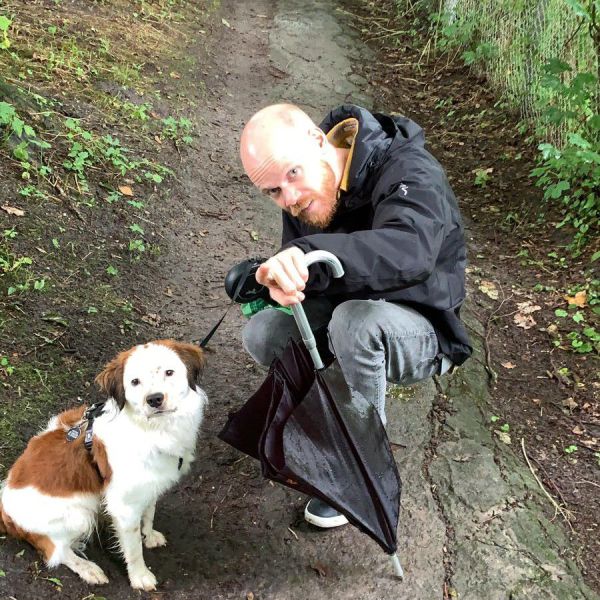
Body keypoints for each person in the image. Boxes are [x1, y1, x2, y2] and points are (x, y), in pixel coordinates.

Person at [238, 103, 472, 529]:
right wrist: (272, 276)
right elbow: (312, 276)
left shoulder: (410, 170)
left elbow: (409, 252)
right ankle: (326, 433)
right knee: (264, 331)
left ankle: (363, 473)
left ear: (317, 141)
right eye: (273, 191)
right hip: (349, 309)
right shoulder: (302, 196)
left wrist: (308, 254)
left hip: (423, 324)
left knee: (355, 324)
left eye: (292, 174)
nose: (288, 199)